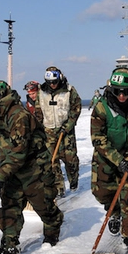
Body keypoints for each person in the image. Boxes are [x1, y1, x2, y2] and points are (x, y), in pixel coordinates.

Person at [0, 81, 64, 254]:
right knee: (9, 207)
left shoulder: (18, 115)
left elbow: (19, 151)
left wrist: (1, 176)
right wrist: (2, 171)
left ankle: (51, 234)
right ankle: (9, 245)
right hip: (12, 170)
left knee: (45, 207)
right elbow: (3, 147)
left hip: (34, 168)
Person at [90, 68, 128, 250]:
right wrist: (118, 160)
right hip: (106, 156)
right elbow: (98, 138)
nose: (122, 96)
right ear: (111, 89)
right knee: (101, 192)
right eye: (117, 91)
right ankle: (114, 212)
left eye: (126, 92)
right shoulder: (102, 107)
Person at [37, 66, 82, 195]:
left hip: (66, 130)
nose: (52, 85)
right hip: (49, 130)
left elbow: (76, 108)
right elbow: (39, 111)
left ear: (60, 78)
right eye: (49, 82)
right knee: (52, 161)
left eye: (54, 82)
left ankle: (73, 180)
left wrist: (68, 125)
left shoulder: (69, 90)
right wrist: (39, 128)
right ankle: (58, 188)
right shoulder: (42, 92)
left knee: (70, 159)